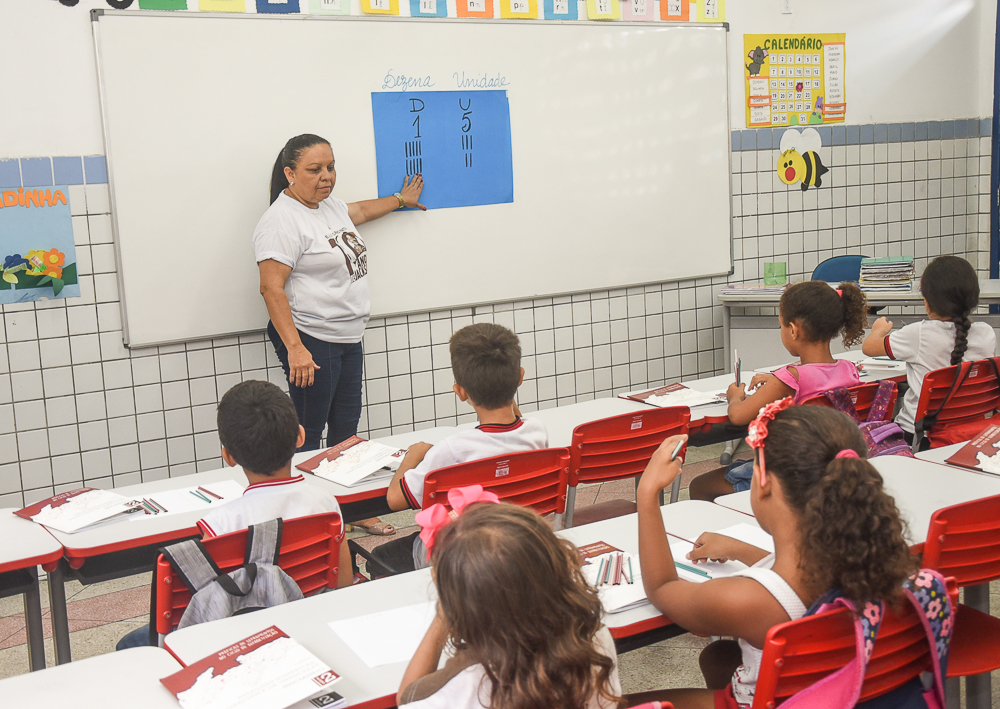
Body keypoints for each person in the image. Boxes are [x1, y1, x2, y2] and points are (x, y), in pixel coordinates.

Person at [629, 403, 917, 709]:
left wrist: (647, 493)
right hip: (844, 695)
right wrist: (740, 549)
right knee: (719, 656)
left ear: (764, 482)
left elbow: (662, 587)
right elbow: (793, 581)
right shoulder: (871, 558)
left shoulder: (748, 601)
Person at [255, 133, 426, 536]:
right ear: (289, 173)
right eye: (315, 170)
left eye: (330, 167)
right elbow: (270, 287)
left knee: (347, 428)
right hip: (312, 339)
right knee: (308, 431)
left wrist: (400, 200)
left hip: (347, 334)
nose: (326, 176)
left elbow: (361, 210)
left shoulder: (327, 206)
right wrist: (296, 348)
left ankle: (351, 510)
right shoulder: (281, 221)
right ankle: (307, 517)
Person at [116, 380, 350, 650]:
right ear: (300, 436)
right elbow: (341, 582)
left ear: (228, 456)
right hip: (308, 622)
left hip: (241, 638)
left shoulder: (220, 523)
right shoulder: (325, 503)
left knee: (128, 644)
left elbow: (210, 612)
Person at [398, 496, 624, 709]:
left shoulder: (463, 681)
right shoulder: (595, 637)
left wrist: (445, 605)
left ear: (465, 608)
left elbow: (407, 698)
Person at [363, 323, 548, 574]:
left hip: (461, 557)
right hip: (522, 543)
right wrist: (506, 387)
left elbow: (395, 500)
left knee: (380, 556)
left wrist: (412, 456)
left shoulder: (452, 449)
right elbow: (517, 424)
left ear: (460, 392)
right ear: (520, 377)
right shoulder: (537, 431)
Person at [689, 280, 868, 501]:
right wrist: (775, 381)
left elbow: (738, 416)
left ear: (793, 330)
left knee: (699, 485)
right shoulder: (850, 370)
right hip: (832, 469)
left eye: (781, 324)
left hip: (790, 477)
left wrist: (734, 396)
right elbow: (818, 376)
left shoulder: (790, 378)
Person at [862, 255, 996, 448]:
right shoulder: (987, 333)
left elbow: (869, 347)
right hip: (972, 432)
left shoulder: (919, 333)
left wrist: (878, 330)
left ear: (927, 302)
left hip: (919, 436)